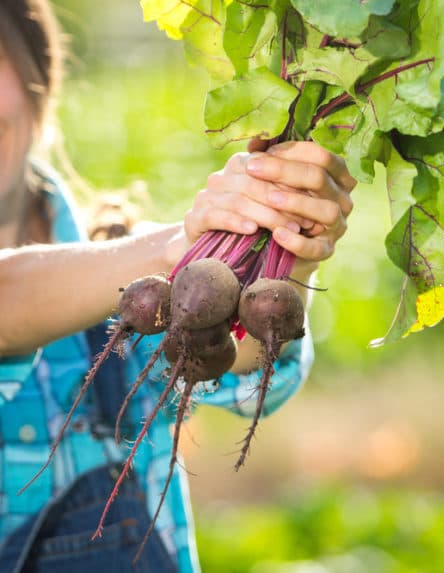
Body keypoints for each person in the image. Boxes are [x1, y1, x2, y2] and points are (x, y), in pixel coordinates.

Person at [0, 1, 356, 571]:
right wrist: (177, 245)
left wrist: (287, 243)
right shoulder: (153, 253)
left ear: (38, 74)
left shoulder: (119, 242)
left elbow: (248, 372)